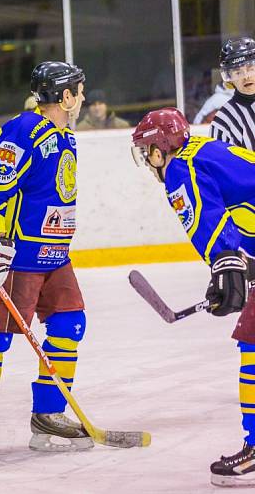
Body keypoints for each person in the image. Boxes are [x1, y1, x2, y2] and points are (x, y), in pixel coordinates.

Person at [0, 61, 89, 459]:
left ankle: (48, 414)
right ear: (65, 96)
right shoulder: (24, 130)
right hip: (18, 257)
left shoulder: (64, 136)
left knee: (70, 324)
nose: (83, 98)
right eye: (79, 91)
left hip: (55, 256)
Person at [131, 107, 255, 487]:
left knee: (252, 343)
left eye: (146, 150)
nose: (148, 160)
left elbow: (208, 221)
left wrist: (226, 264)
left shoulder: (179, 171)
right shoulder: (204, 149)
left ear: (158, 149)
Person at [210, 37, 255, 148]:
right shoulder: (223, 122)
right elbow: (220, 163)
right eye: (238, 72)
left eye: (251, 69)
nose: (247, 77)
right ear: (229, 77)